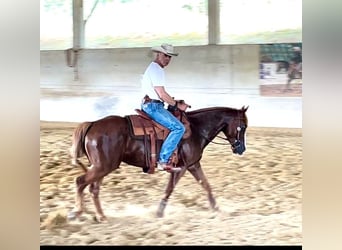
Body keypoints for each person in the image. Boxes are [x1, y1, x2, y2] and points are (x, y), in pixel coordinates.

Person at [140, 43, 188, 173]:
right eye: (166, 56)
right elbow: (162, 94)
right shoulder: (156, 69)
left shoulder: (154, 68)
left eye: (170, 57)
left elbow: (161, 94)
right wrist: (177, 105)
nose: (167, 59)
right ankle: (163, 160)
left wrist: (173, 101)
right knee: (179, 128)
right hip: (153, 106)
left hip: (152, 103)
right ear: (159, 54)